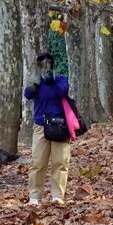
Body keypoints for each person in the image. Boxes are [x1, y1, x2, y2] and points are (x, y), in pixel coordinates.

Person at [24, 51, 70, 206]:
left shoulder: (61, 79)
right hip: (41, 125)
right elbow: (28, 94)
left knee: (60, 161)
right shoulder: (37, 81)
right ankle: (34, 196)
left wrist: (52, 81)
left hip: (60, 125)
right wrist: (35, 83)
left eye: (48, 62)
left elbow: (63, 91)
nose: (46, 65)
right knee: (38, 162)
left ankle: (58, 195)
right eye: (42, 63)